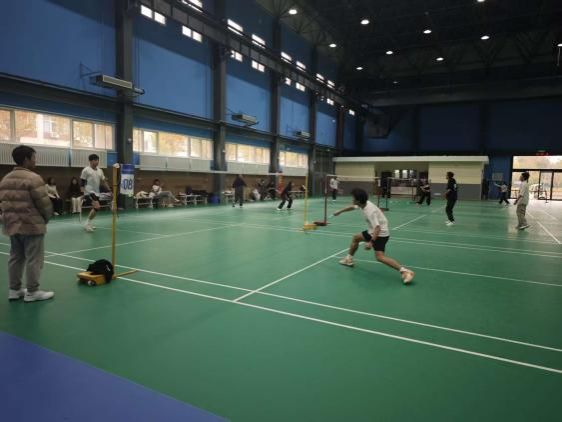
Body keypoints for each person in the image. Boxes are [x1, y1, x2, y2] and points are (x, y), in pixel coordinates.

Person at [0, 145, 54, 302]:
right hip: (32, 226)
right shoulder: (34, 178)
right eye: (34, 158)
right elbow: (44, 204)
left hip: (12, 226)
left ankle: (14, 290)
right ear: (26, 159)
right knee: (34, 259)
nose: (35, 161)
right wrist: (45, 219)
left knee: (15, 257)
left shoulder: (5, 179)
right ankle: (32, 292)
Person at [335, 188, 414, 285]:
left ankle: (405, 271)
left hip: (379, 233)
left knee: (380, 257)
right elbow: (353, 207)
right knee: (356, 238)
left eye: (353, 198)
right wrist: (340, 211)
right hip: (377, 232)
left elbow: (377, 228)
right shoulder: (364, 203)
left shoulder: (370, 211)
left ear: (358, 200)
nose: (352, 199)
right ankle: (348, 259)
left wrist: (371, 242)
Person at [80, 153, 111, 232]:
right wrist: (83, 193)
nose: (97, 162)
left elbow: (104, 181)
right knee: (97, 207)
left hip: (97, 192)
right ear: (90, 161)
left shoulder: (100, 171)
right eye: (95, 160)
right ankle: (87, 224)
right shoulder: (86, 170)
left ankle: (89, 223)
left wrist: (109, 190)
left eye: (97, 160)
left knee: (96, 209)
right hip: (89, 192)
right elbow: (82, 183)